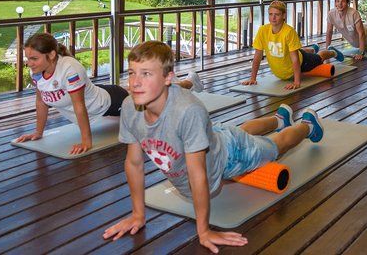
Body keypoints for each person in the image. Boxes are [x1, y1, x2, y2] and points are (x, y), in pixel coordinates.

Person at [103, 41, 325, 252]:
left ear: (168, 77)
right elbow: (134, 163)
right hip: (213, 136)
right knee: (237, 131)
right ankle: (279, 120)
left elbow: (197, 173)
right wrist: (138, 215)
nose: (135, 82)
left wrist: (204, 231)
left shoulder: (187, 111)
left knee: (276, 145)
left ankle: (307, 125)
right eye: (131, 73)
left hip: (232, 155)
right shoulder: (130, 107)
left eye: (146, 74)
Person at [14, 32, 129, 155]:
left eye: (34, 58)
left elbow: (79, 105)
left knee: (139, 111)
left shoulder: (70, 69)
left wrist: (86, 142)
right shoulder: (36, 72)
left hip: (111, 102)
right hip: (93, 98)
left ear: (52, 54)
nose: (29, 64)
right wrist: (38, 132)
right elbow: (41, 101)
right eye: (28, 58)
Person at [242, 0, 343, 90]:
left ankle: (332, 52)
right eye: (271, 14)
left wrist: (297, 82)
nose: (273, 18)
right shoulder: (262, 30)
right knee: (298, 51)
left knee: (319, 57)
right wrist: (253, 78)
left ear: (284, 16)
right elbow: (257, 56)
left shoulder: (289, 31)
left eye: (277, 14)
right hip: (284, 68)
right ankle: (312, 48)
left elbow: (295, 59)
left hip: (302, 62)